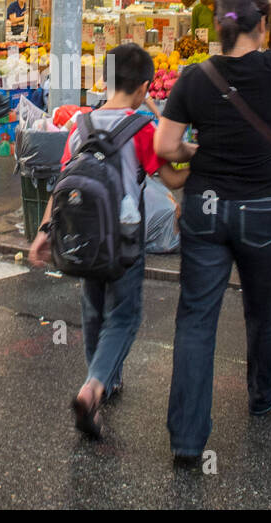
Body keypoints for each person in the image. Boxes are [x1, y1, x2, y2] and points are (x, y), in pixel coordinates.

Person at [154, 0, 271, 464]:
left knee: (195, 320)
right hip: (266, 210)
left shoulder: (195, 76)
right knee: (263, 310)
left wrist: (197, 150)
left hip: (206, 208)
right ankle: (263, 394)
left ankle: (188, 440)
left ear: (217, 22)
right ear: (261, 22)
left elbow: (165, 149)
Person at [28, 44, 190, 439]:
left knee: (93, 309)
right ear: (144, 87)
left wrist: (44, 231)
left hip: (82, 238)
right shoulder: (142, 129)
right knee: (125, 315)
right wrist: (194, 158)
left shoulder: (81, 125)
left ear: (106, 79)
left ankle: (104, 378)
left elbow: (62, 183)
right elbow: (171, 178)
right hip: (122, 238)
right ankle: (94, 386)